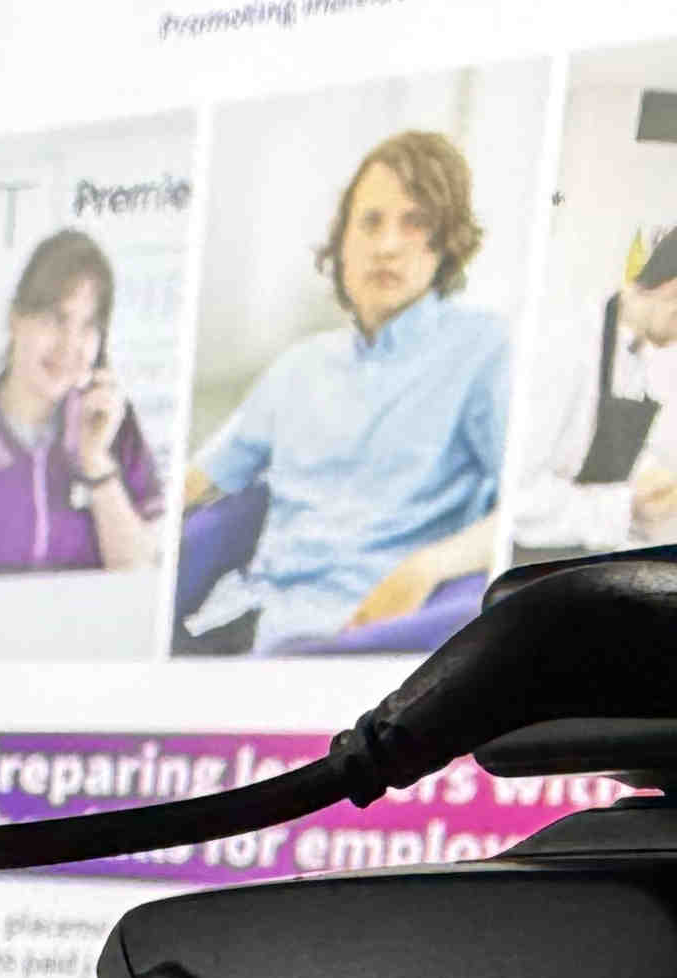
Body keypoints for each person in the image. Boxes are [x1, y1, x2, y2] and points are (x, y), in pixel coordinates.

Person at [178, 129, 509, 653]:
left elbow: (522, 509)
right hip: (242, 619)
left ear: (446, 240)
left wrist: (427, 566)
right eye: (370, 222)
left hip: (361, 635)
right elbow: (198, 482)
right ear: (342, 243)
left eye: (414, 222)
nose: (387, 245)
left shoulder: (483, 349)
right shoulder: (300, 366)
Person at [0, 228, 164, 576]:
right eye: (55, 319)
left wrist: (95, 461)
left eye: (89, 325)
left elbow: (142, 577)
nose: (70, 345)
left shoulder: (116, 427)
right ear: (16, 319)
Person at [508, 214, 677, 559]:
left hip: (577, 554)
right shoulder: (566, 347)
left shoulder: (636, 355)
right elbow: (516, 499)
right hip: (523, 561)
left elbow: (621, 487)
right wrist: (625, 505)